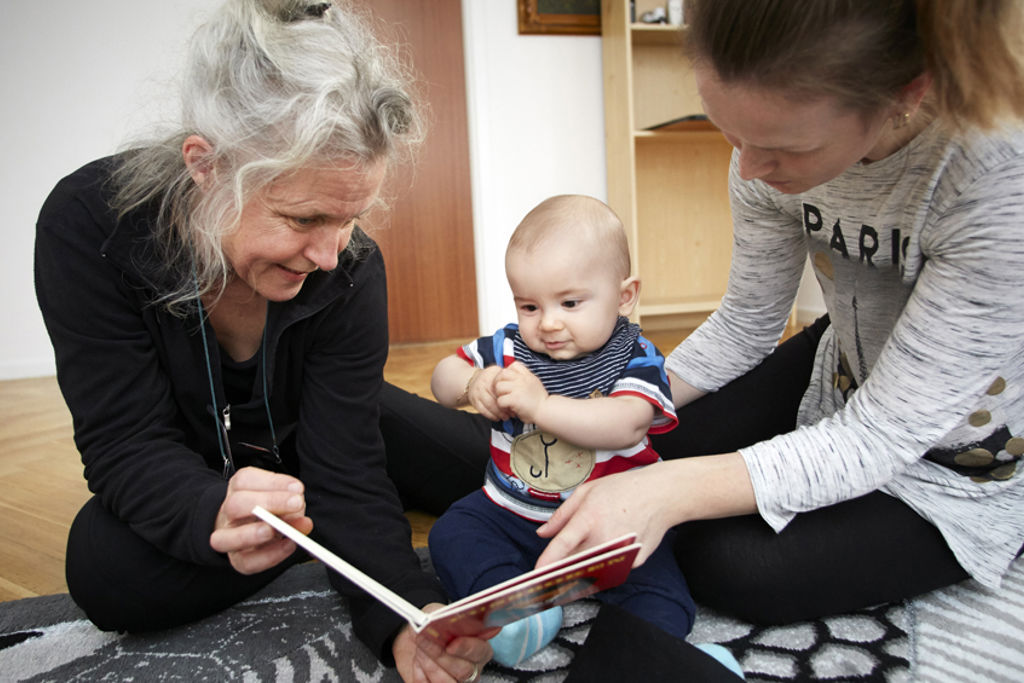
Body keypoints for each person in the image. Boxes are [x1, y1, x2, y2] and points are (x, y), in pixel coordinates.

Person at [380, 0, 1024, 644]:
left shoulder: (994, 181)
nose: (747, 170)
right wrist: (607, 401)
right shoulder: (760, 154)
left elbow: (879, 436)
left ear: (906, 94)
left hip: (965, 458)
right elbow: (746, 322)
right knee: (630, 461)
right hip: (844, 374)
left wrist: (666, 489)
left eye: (779, 148)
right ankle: (403, 438)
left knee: (720, 555)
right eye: (731, 134)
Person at [34, 1, 492, 681]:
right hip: (193, 459)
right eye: (304, 217)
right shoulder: (88, 229)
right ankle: (319, 520)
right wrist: (207, 507)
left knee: (520, 474)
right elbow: (124, 442)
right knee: (104, 572)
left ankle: (316, 517)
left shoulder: (351, 262)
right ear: (205, 165)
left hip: (328, 421)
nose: (333, 253)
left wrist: (406, 615)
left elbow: (347, 464)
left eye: (352, 217)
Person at [426, 195, 695, 666]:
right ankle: (517, 613)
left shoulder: (634, 354)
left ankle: (640, 653)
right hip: (511, 513)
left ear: (624, 296)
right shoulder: (507, 347)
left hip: (613, 526)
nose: (548, 322)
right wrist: (473, 382)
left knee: (658, 588)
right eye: (529, 305)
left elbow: (627, 422)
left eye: (570, 303)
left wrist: (542, 405)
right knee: (454, 531)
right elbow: (442, 378)